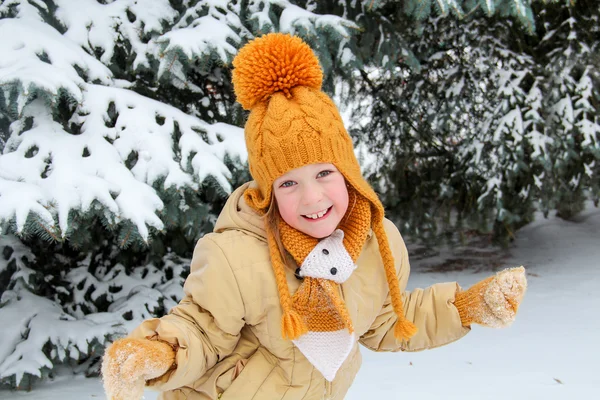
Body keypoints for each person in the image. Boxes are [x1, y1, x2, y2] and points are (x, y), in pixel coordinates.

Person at [101, 33, 527, 400]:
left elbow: (382, 322)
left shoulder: (377, 244)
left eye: (324, 173)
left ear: (349, 174)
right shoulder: (235, 257)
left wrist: (467, 308)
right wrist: (158, 354)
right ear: (268, 194)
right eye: (288, 184)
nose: (311, 197)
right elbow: (201, 329)